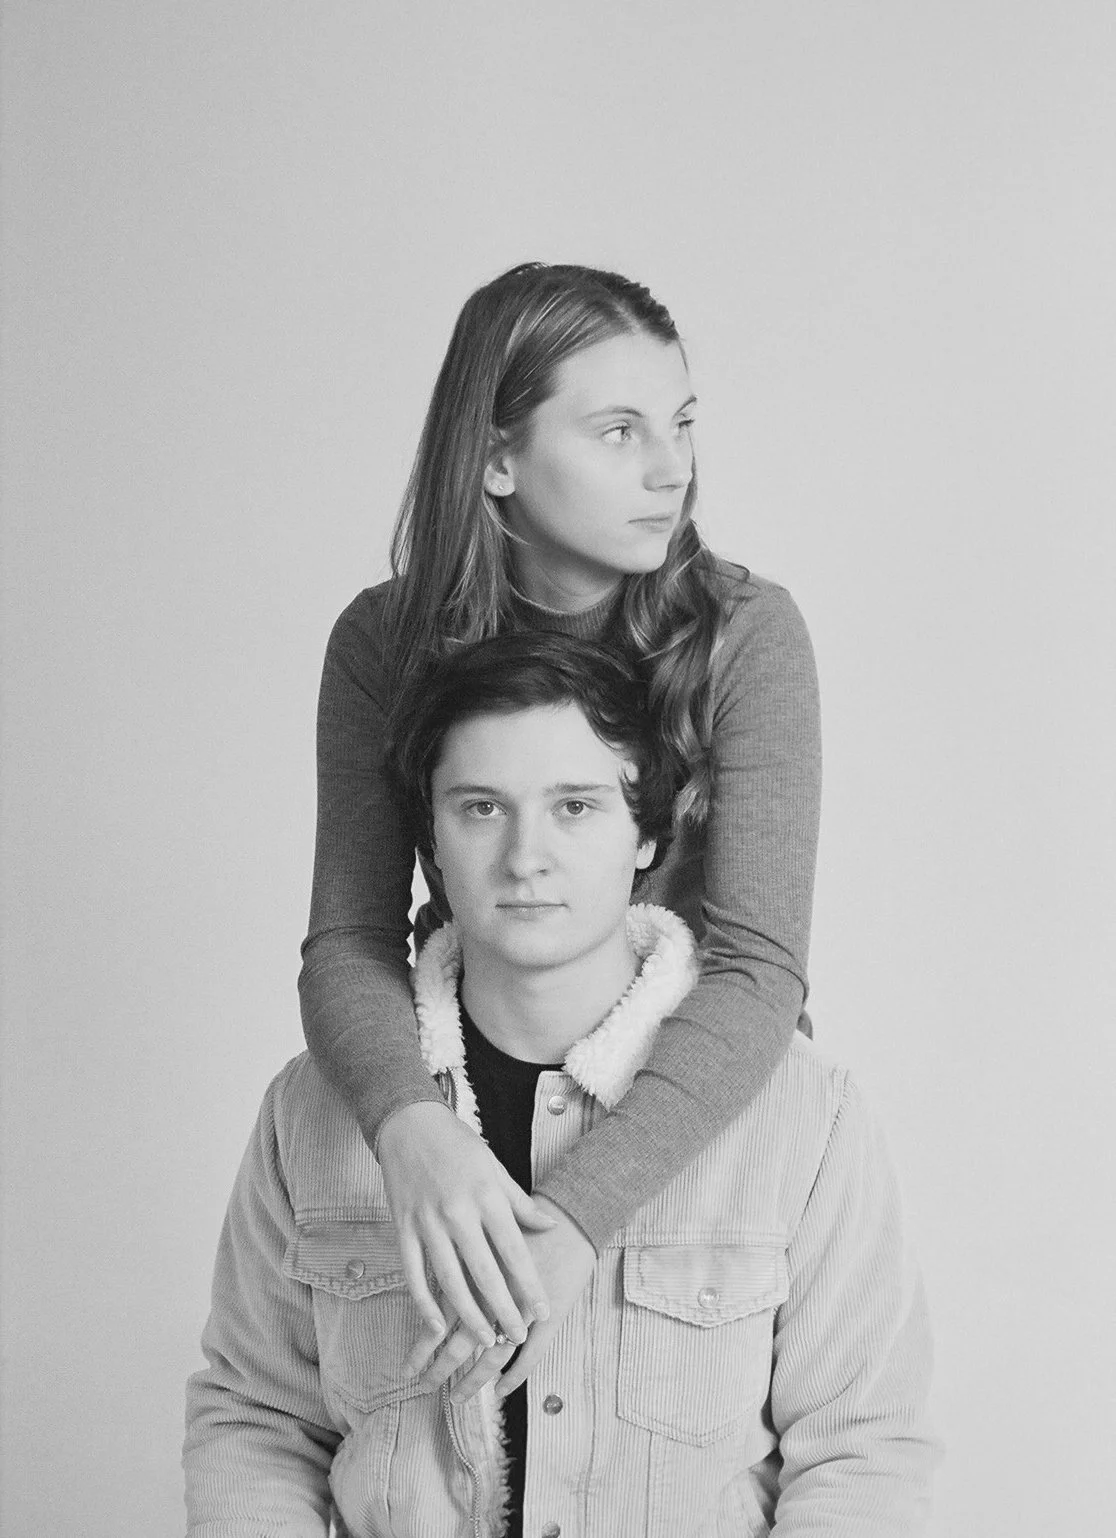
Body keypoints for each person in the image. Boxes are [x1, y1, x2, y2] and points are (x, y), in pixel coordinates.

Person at [185, 635, 934, 1537]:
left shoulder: (802, 1116)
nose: (524, 857)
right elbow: (258, 1424)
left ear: (648, 832)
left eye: (575, 806)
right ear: (429, 836)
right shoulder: (313, 1112)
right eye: (481, 808)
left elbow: (862, 1452)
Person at [299, 261, 823, 1389]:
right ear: (495, 457)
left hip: (698, 1136)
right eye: (619, 430)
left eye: (679, 423)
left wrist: (578, 1219)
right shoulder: (382, 643)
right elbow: (346, 937)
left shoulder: (746, 635)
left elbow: (759, 968)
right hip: (471, 1106)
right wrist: (413, 1129)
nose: (671, 467)